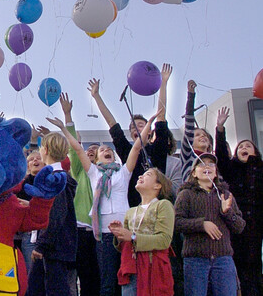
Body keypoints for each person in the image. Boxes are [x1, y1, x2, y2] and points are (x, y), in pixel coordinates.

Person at [48, 111, 156, 296]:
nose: (106, 151)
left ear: (114, 157)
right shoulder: (93, 173)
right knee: (107, 282)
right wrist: (63, 129)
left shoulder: (123, 172)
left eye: (109, 150)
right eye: (102, 150)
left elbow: (136, 148)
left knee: (129, 279)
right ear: (97, 159)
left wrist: (149, 123)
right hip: (104, 236)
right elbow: (78, 150)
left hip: (126, 233)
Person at [88, 64, 179, 207]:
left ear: (149, 131)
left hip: (159, 206)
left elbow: (161, 115)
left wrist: (163, 83)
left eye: (141, 125)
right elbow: (112, 123)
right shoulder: (127, 151)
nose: (136, 128)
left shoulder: (158, 148)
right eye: (132, 127)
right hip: (134, 208)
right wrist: (96, 96)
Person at [175, 152, 245, 296]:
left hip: (223, 260)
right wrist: (202, 225)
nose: (207, 166)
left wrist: (227, 212)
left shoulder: (225, 194)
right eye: (202, 164)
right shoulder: (185, 194)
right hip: (195, 260)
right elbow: (176, 223)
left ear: (215, 173)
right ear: (194, 173)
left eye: (211, 164)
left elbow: (240, 227)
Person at [215, 106, 263, 295]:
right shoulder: (231, 167)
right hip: (235, 223)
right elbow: (220, 154)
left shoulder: (260, 169)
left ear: (256, 152)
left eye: (248, 146)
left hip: (257, 223)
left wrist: (254, 164)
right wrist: (220, 129)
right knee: (236, 267)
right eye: (240, 146)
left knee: (254, 267)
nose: (244, 148)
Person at [26, 131, 78, 296]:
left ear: (46, 149)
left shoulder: (56, 179)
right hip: (55, 245)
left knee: (54, 290)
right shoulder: (60, 177)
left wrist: (42, 245)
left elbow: (56, 214)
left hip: (53, 247)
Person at [59, 93, 101, 295]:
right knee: (69, 282)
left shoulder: (110, 177)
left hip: (100, 235)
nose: (91, 151)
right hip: (78, 233)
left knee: (92, 281)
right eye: (89, 149)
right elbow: (75, 150)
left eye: (96, 150)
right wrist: (68, 116)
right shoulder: (80, 172)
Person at [109, 167, 175, 295]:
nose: (140, 177)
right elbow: (125, 244)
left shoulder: (163, 205)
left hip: (153, 268)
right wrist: (119, 235)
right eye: (141, 174)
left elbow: (164, 240)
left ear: (157, 186)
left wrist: (133, 237)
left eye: (148, 174)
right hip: (131, 267)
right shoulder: (131, 211)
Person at [180, 80, 214, 183]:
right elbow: (189, 127)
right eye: (197, 135)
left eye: (204, 135)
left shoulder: (214, 161)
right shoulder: (188, 156)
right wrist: (191, 96)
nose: (202, 136)